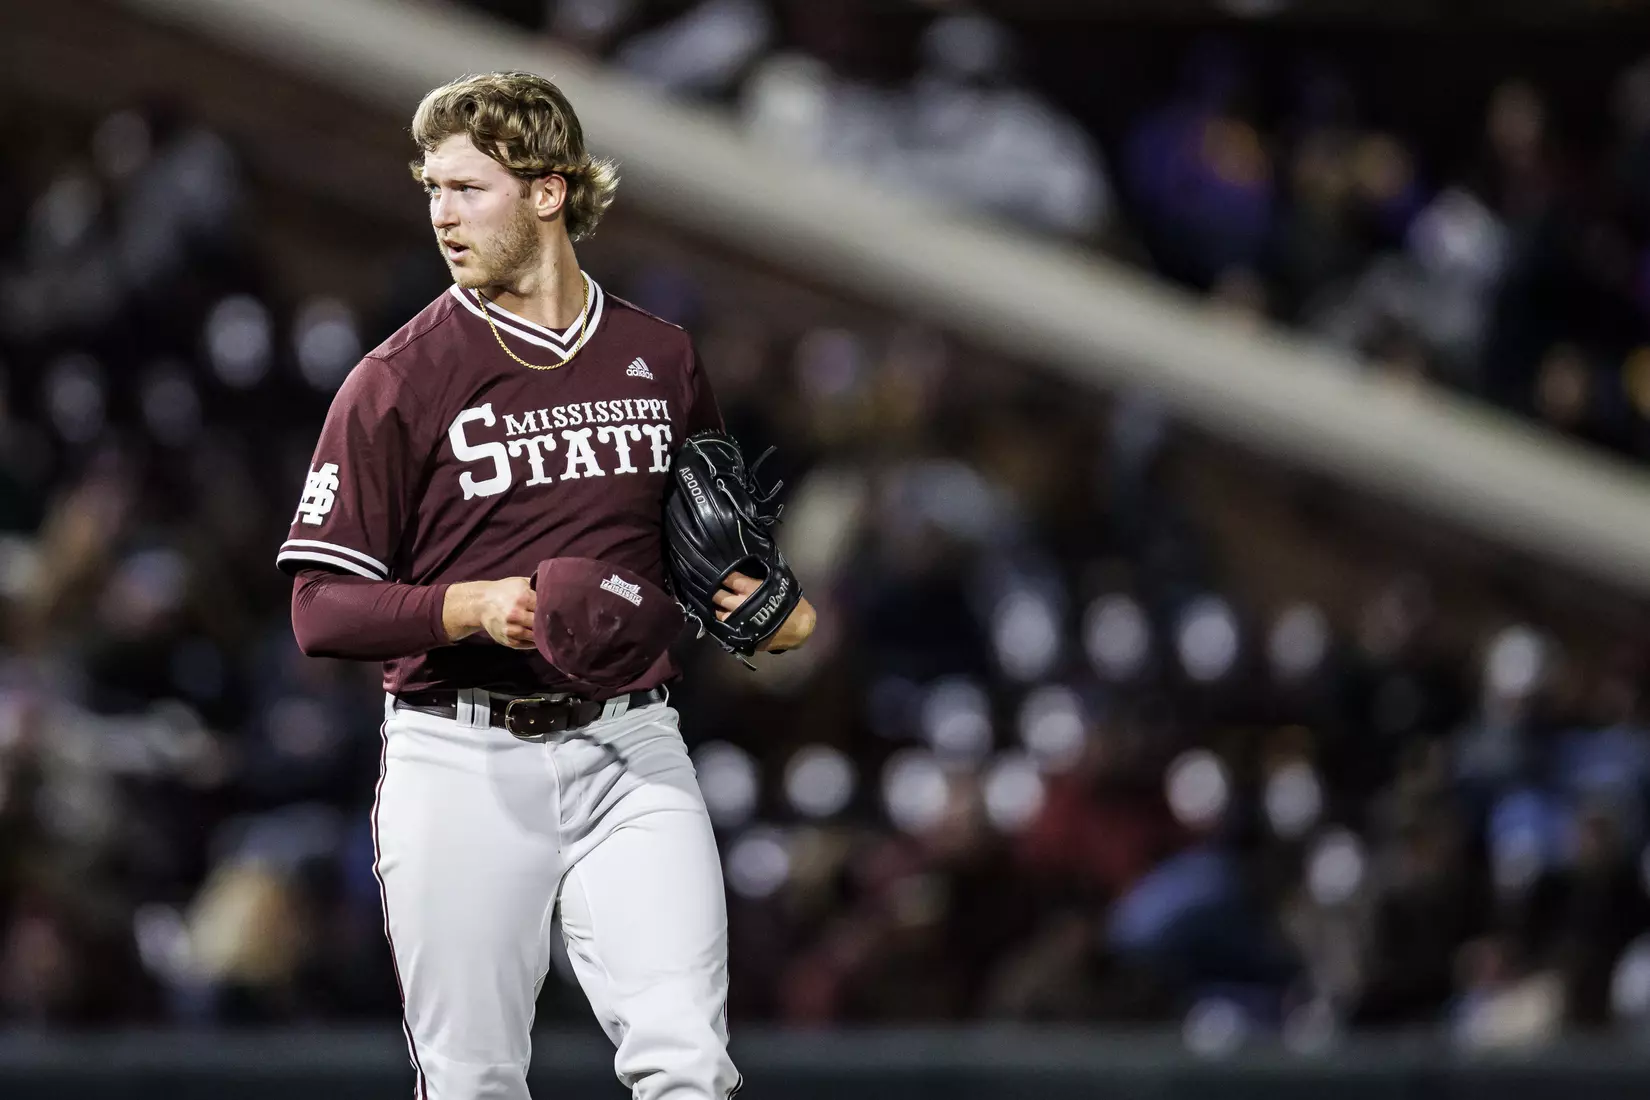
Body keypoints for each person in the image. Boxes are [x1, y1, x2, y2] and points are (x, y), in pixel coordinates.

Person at [278, 70, 815, 1100]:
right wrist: (467, 603)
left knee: (690, 1063)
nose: (442, 213)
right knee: (474, 1080)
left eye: (468, 187)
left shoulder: (661, 356)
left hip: (631, 743)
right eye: (431, 188)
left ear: (548, 191)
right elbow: (319, 610)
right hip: (460, 754)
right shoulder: (396, 377)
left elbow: (701, 550)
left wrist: (758, 603)